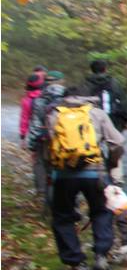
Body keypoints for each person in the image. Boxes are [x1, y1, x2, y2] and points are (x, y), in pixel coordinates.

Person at [46, 86, 125, 270]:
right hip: (94, 172)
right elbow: (118, 142)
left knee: (63, 216)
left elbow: (50, 145)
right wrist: (112, 163)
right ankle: (101, 256)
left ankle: (76, 263)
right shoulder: (97, 113)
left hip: (64, 175)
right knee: (101, 211)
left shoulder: (54, 115)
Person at [84, 59, 127, 187]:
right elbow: (123, 101)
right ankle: (116, 177)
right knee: (115, 146)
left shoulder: (86, 84)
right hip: (114, 120)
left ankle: (97, 177)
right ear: (105, 69)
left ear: (92, 70)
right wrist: (126, 119)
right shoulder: (115, 83)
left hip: (93, 120)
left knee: (95, 148)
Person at [27, 70, 67, 205]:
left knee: (42, 165)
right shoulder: (71, 97)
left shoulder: (40, 100)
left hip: (46, 142)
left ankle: (42, 193)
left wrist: (32, 146)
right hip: (66, 143)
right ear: (62, 82)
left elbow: (35, 125)